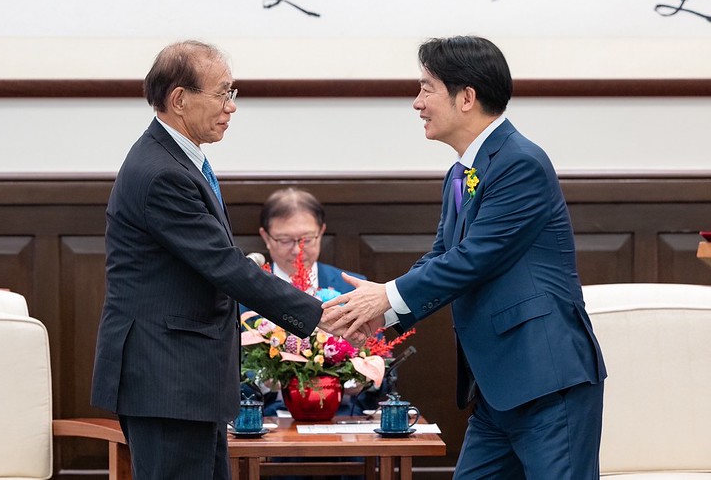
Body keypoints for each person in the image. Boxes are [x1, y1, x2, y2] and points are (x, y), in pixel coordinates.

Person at [321, 36, 607, 479]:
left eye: (426, 88)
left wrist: (386, 296)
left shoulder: (520, 162)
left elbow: (476, 258)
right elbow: (442, 255)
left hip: (547, 380)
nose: (417, 103)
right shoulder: (462, 171)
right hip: (497, 388)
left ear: (467, 97)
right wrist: (386, 317)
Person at [90, 40, 330, 480]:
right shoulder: (162, 172)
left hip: (183, 378)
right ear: (179, 99)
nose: (231, 107)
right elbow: (223, 264)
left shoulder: (177, 160)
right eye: (222, 93)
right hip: (167, 375)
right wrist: (321, 314)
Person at [243, 187, 378, 416]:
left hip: (341, 420)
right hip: (267, 424)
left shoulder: (353, 288)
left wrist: (359, 379)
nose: (298, 250)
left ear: (322, 232)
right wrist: (265, 380)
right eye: (285, 240)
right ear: (266, 237)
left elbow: (379, 365)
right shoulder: (245, 292)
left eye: (307, 239)